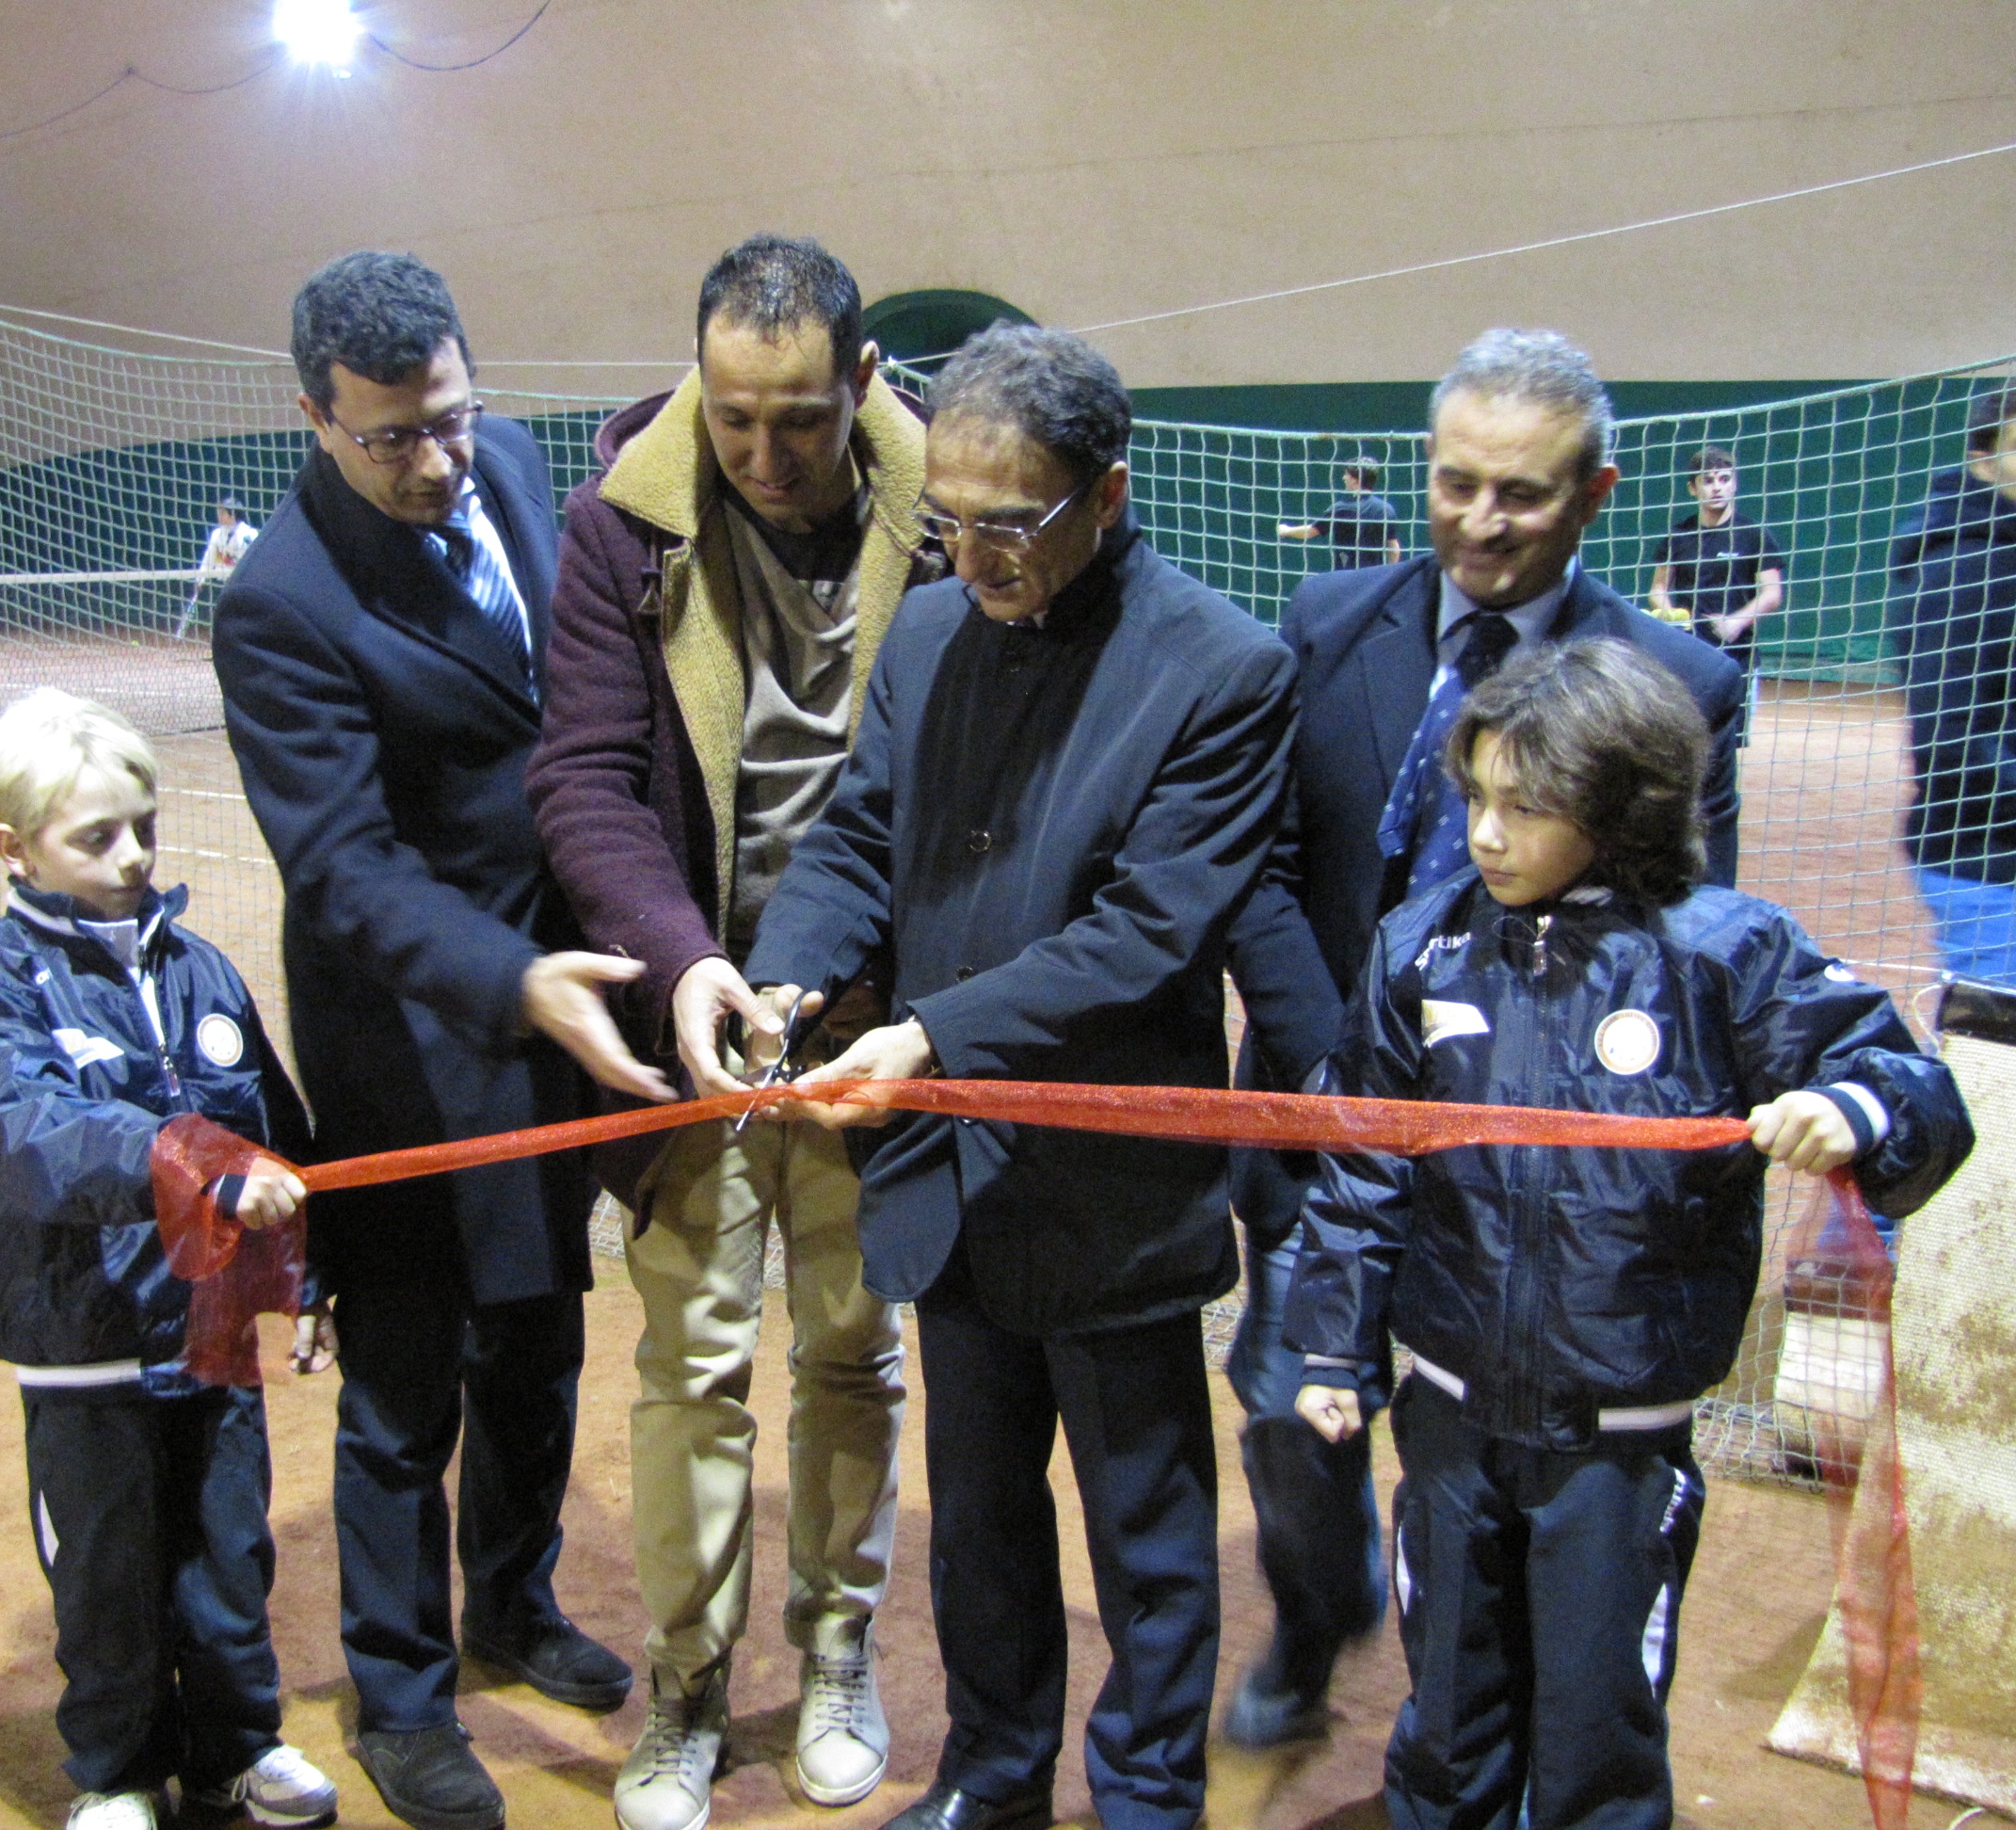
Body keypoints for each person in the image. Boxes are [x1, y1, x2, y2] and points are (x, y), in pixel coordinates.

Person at [690, 324, 1296, 1830]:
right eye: (946, 521)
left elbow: (1150, 935)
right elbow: (856, 835)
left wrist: (935, 1036)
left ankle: (1148, 1794)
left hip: (1109, 1197)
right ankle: (994, 1773)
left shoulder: (1222, 668)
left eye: (1010, 524)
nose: (973, 556)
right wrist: (797, 973)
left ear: (1107, 493)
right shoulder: (928, 633)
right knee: (978, 1523)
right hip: (949, 1183)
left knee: (1147, 1536)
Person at [1288, 638, 1970, 1830]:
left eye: (1527, 806)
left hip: (1621, 1439)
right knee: (1446, 1713)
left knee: (1600, 1728)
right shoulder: (1422, 946)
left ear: (1620, 806)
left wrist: (1846, 1107)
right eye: (1477, 800)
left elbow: (1912, 1083)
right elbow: (1363, 1164)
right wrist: (1336, 1348)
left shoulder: (1723, 952)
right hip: (1450, 1419)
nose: (1488, 835)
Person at [1218, 328, 1747, 1749]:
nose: (1480, 521)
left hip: (1536, 1167)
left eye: (1521, 492)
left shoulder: (1676, 682)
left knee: (1514, 1480)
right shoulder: (1329, 620)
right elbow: (1263, 868)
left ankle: (1513, 1706)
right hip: (1330, 1110)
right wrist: (1349, 1070)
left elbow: (1679, 939)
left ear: (1595, 494)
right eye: (1456, 483)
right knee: (1285, 1398)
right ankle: (1317, 1619)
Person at [212, 250, 664, 1830]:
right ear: (311, 417)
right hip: (411, 1025)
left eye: (452, 420)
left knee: (540, 1330)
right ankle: (400, 1692)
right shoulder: (282, 600)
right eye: (393, 437)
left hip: (560, 990)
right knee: (408, 1377)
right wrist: (510, 979)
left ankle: (515, 1603)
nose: (439, 459)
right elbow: (341, 869)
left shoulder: (523, 460)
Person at [526, 233, 926, 1830]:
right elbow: (582, 777)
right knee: (688, 1358)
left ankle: (836, 1652)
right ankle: (685, 1683)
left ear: (864, 385)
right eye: (733, 413)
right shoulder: (615, 524)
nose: (762, 453)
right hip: (698, 1012)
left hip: (863, 1020)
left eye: (800, 419)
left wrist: (883, 989)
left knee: (849, 1345)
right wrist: (680, 957)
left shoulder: (945, 511)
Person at [0, 687, 340, 1830]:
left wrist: (311, 1275)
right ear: (16, 850)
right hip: (84, 1337)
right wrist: (183, 1161)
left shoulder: (200, 968)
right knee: (106, 1575)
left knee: (227, 1557)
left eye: (143, 826)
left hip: (209, 1335)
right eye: (96, 836)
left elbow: (272, 1128)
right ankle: (114, 1772)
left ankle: (233, 1750)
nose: (133, 855)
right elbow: (25, 1136)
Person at [1889, 384, 2016, 986]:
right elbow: (1948, 732)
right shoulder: (1969, 562)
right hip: (1986, 861)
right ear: (1983, 456)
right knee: (1997, 1061)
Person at [1647, 444, 1784, 668]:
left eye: (1724, 479)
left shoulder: (1753, 534)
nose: (1717, 488)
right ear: (1693, 488)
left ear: (1734, 485)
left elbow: (1772, 594)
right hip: (1689, 651)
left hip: (1737, 654)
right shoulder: (1679, 536)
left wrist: (1736, 623)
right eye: (1708, 481)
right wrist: (1674, 619)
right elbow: (1658, 589)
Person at [1276, 457, 1401, 568]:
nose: (1343, 477)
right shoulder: (1386, 510)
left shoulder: (1341, 509)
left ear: (1355, 480)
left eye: (1346, 474)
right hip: (1373, 579)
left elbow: (1310, 532)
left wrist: (1286, 530)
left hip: (1345, 577)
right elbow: (1394, 549)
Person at [178, 496, 258, 636]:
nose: (219, 516)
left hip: (243, 584)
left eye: (222, 513)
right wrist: (200, 579)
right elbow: (209, 558)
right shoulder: (217, 534)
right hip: (221, 583)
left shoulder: (249, 534)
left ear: (232, 514)